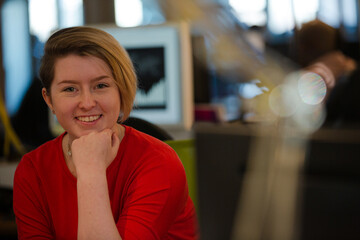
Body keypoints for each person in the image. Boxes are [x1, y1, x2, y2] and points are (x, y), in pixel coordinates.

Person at [13, 26, 198, 240]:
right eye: (70, 89)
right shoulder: (33, 170)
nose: (87, 103)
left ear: (121, 90)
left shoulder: (159, 163)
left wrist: (91, 170)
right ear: (49, 100)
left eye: (101, 85)